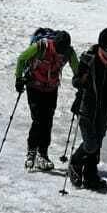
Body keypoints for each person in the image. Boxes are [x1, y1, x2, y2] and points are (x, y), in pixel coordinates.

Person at [69, 28, 107, 190]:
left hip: (105, 107)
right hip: (86, 105)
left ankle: (90, 174)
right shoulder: (88, 59)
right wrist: (82, 81)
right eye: (106, 49)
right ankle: (75, 162)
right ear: (100, 46)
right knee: (91, 143)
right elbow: (75, 81)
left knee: (98, 140)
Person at [14, 29, 77, 171]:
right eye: (58, 49)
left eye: (63, 50)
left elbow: (77, 70)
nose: (60, 53)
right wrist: (19, 78)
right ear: (54, 44)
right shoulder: (41, 46)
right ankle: (32, 150)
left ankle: (43, 153)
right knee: (38, 119)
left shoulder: (68, 52)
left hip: (51, 89)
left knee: (47, 120)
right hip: (34, 86)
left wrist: (81, 84)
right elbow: (22, 58)